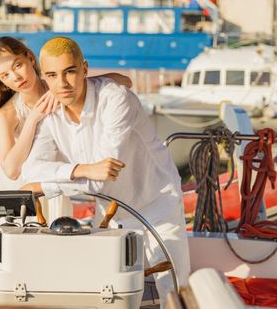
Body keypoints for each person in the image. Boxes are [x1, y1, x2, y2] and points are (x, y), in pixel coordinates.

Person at [20, 36, 190, 306]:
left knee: (174, 286)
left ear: (85, 69)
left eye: (70, 72)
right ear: (44, 77)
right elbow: (31, 171)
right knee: (108, 289)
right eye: (52, 75)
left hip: (156, 200)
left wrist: (47, 186)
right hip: (110, 209)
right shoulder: (50, 111)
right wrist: (82, 169)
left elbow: (103, 178)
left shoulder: (115, 99)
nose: (61, 83)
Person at [0, 36, 131, 221]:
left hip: (54, 184)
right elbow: (11, 170)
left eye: (17, 66)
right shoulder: (7, 114)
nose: (16, 77)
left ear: (30, 58)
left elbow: (125, 81)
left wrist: (70, 84)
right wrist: (33, 118)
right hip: (21, 193)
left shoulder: (61, 87)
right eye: (5, 76)